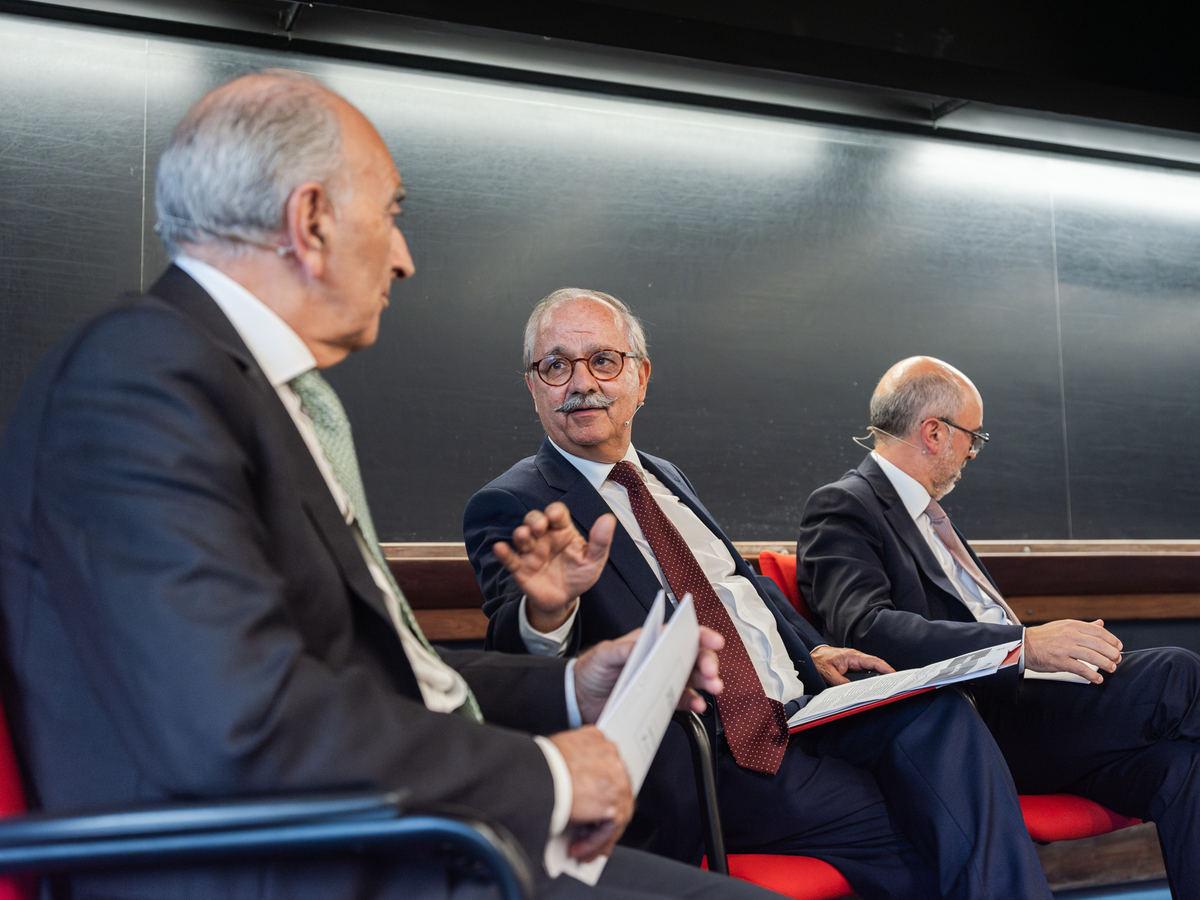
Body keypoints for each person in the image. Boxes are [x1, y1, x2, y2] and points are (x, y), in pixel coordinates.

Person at [0, 72, 780, 900]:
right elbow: (240, 723)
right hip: (285, 868)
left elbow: (369, 677)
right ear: (311, 221)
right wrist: (545, 773)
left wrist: (566, 684)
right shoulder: (140, 379)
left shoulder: (247, 391)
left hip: (388, 836)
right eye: (392, 213)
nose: (405, 258)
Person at [464, 289, 1054, 900]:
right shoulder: (515, 503)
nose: (581, 382)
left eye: (603, 362)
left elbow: (742, 587)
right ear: (534, 388)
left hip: (807, 708)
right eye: (556, 366)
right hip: (716, 747)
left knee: (942, 715)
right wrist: (549, 611)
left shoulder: (665, 477)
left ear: (640, 378)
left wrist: (815, 650)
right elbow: (516, 658)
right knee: (937, 830)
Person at [798, 355, 1200, 897]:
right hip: (973, 728)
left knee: (1182, 767)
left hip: (1039, 714)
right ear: (934, 432)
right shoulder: (845, 506)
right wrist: (1025, 644)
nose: (972, 452)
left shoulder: (931, 518)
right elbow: (868, 630)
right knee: (1179, 673)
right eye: (973, 437)